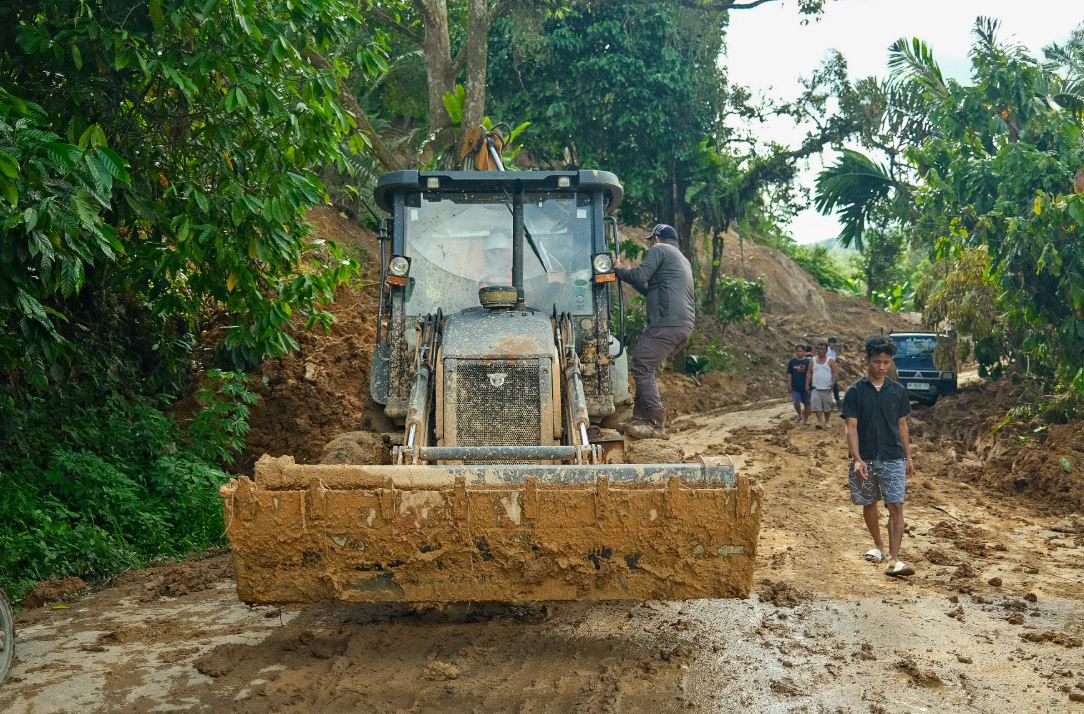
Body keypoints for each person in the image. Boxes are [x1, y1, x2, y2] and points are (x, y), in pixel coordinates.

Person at [841, 334, 915, 578]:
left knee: (896, 505)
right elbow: (851, 427)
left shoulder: (898, 391)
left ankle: (894, 558)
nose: (881, 367)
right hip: (866, 458)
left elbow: (902, 425)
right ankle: (879, 546)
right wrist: (857, 459)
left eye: (886, 362)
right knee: (869, 503)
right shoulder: (854, 392)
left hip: (893, 456)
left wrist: (908, 457)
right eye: (876, 362)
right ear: (867, 360)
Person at [614, 223, 695, 440]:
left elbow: (640, 276)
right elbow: (649, 288)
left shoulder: (660, 250)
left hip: (667, 323)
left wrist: (619, 270)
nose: (650, 244)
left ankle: (655, 424)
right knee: (645, 366)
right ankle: (640, 418)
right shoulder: (680, 258)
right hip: (682, 325)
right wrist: (625, 275)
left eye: (651, 240)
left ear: (657, 238)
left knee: (641, 364)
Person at [806, 341, 837, 429]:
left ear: (826, 350)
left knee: (827, 407)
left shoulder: (830, 360)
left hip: (827, 388)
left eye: (823, 349)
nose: (820, 351)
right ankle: (820, 422)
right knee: (816, 405)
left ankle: (826, 421)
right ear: (816, 350)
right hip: (815, 388)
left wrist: (833, 383)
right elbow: (809, 372)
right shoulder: (813, 360)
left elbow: (834, 373)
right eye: (819, 349)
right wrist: (807, 384)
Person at [785, 344, 811, 422]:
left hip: (806, 386)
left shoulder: (808, 361)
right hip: (795, 386)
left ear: (804, 352)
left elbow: (811, 373)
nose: (799, 353)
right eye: (797, 351)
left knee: (807, 404)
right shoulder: (792, 362)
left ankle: (806, 419)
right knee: (796, 402)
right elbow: (789, 373)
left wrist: (810, 384)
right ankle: (799, 415)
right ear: (795, 352)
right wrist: (789, 383)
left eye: (801, 351)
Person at [827, 336, 842, 407]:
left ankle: (837, 401)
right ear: (829, 343)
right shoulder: (827, 351)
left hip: (832, 372)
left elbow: (834, 362)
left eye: (834, 343)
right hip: (826, 371)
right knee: (828, 387)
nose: (834, 344)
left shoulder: (833, 352)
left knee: (835, 387)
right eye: (832, 343)